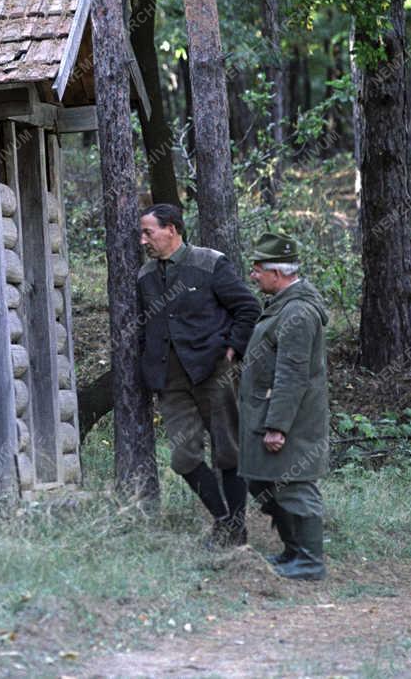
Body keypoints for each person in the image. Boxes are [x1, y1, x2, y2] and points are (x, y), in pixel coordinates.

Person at [138, 204, 260, 546]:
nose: (143, 239)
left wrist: (233, 348)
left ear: (173, 229)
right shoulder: (145, 276)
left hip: (214, 374)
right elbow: (144, 327)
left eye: (149, 232)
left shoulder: (209, 263)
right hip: (171, 382)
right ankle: (223, 519)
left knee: (228, 452)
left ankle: (235, 529)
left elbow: (248, 308)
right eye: (142, 233)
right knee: (183, 457)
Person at [240, 232, 330, 581]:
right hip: (273, 412)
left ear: (277, 274)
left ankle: (309, 562)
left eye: (258, 269)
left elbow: (292, 374)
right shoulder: (283, 305)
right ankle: (294, 552)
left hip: (291, 419)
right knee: (263, 481)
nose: (253, 275)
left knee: (296, 488)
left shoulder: (298, 313)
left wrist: (278, 426)